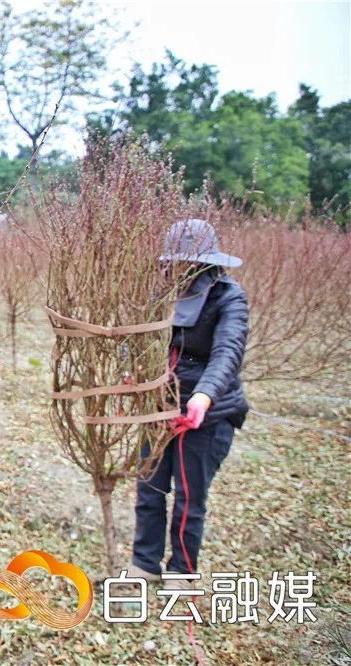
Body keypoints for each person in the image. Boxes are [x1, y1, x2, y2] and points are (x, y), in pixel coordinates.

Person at [129, 219, 249, 582]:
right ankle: (144, 564)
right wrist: (130, 369)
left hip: (206, 417)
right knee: (149, 487)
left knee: (188, 498)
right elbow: (138, 337)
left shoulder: (229, 297)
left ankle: (181, 571)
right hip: (159, 407)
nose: (181, 271)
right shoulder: (162, 294)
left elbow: (228, 351)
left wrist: (204, 395)